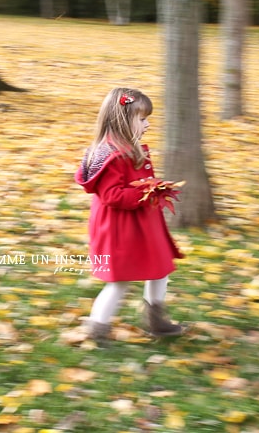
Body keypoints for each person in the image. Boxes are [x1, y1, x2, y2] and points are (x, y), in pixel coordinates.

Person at [74, 87, 185, 342]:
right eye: (142, 119)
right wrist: (145, 193)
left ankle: (155, 319)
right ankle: (97, 328)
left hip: (142, 226)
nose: (147, 124)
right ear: (123, 120)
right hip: (120, 229)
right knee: (119, 281)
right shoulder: (110, 155)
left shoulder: (129, 148)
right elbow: (112, 195)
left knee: (160, 269)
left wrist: (152, 188)